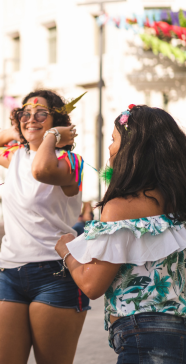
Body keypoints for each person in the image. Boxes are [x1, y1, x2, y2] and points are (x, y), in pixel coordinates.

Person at [55, 105, 186, 364]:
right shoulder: (178, 200)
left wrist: (66, 251)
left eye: (114, 139)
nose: (110, 148)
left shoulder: (120, 207)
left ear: (134, 148)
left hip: (146, 337)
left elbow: (92, 285)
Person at [0, 90, 88, 364]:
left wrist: (52, 137)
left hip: (55, 273)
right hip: (9, 272)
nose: (32, 119)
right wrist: (17, 128)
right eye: (25, 114)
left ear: (58, 121)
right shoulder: (17, 156)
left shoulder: (71, 162)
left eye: (41, 114)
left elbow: (40, 171)